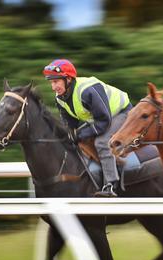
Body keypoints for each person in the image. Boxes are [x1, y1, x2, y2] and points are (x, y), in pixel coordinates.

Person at [43, 59, 132, 197]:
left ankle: (111, 185)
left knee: (101, 142)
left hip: (121, 113)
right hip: (96, 118)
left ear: (68, 79)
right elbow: (70, 125)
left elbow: (104, 121)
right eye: (51, 82)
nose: (53, 87)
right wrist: (70, 135)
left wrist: (79, 134)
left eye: (56, 81)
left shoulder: (87, 90)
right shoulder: (60, 98)